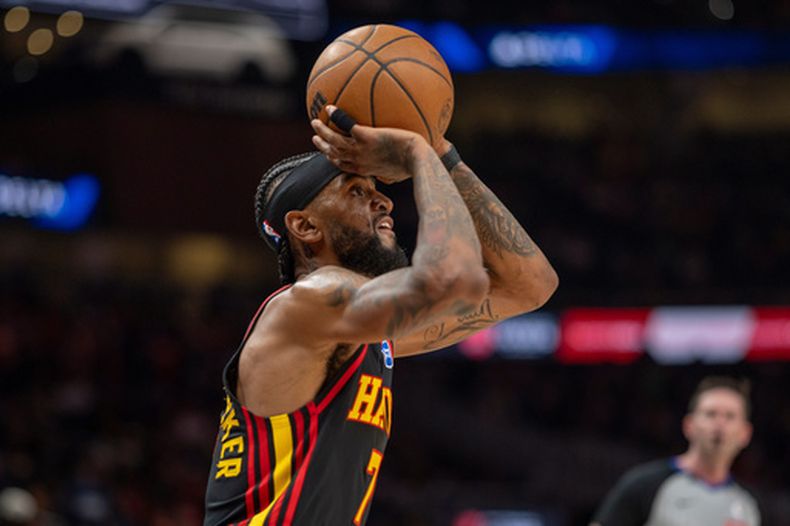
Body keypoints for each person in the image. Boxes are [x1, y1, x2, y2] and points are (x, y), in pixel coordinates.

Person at [203, 106, 558, 526]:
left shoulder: (354, 335)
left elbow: (530, 285)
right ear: (305, 227)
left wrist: (444, 153)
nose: (385, 200)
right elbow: (454, 279)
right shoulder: (309, 301)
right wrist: (417, 151)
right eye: (356, 191)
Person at [591, 376, 760, 526]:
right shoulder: (645, 485)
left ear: (745, 433)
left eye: (730, 416)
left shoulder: (751, 504)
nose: (719, 424)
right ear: (689, 426)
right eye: (710, 414)